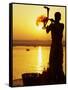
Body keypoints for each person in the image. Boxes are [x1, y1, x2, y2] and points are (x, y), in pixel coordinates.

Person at [45, 12, 64, 83]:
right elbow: (47, 31)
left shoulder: (61, 25)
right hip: (54, 46)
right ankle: (53, 78)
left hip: (58, 46)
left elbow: (59, 29)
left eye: (59, 17)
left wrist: (53, 23)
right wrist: (47, 25)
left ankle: (59, 78)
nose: (59, 18)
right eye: (58, 17)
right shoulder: (52, 25)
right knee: (52, 62)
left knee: (59, 62)